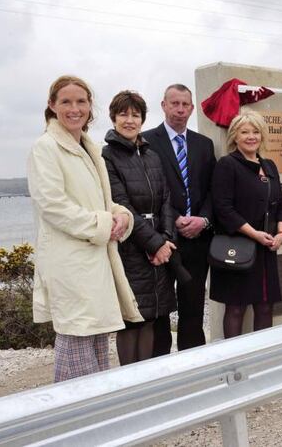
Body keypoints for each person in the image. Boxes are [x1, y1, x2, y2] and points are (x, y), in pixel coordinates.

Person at [27, 75, 142, 382]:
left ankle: (97, 420)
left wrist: (122, 216)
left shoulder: (90, 148)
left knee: (97, 347)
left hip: (95, 262)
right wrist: (106, 224)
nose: (74, 108)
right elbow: (53, 206)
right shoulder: (46, 147)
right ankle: (73, 421)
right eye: (66, 101)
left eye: (81, 101)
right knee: (77, 346)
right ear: (52, 106)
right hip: (70, 265)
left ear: (91, 107)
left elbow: (101, 200)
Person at [102, 91, 178, 365]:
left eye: (135, 115)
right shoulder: (107, 158)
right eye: (123, 114)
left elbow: (167, 200)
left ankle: (145, 379)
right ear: (113, 118)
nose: (129, 120)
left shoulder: (151, 156)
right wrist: (154, 244)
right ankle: (127, 383)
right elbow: (120, 203)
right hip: (130, 248)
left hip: (158, 246)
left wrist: (166, 240)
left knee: (152, 317)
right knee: (132, 319)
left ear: (143, 119)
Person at [142, 84, 216, 353]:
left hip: (197, 241)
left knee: (193, 308)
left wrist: (203, 220)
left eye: (185, 104)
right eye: (174, 103)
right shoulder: (146, 143)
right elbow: (146, 191)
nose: (180, 109)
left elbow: (212, 190)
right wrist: (172, 220)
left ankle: (193, 365)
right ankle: (161, 366)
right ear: (163, 105)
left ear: (192, 108)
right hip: (162, 241)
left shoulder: (204, 145)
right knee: (160, 311)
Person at [210, 110, 282, 338]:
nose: (251, 136)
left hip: (267, 249)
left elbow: (280, 203)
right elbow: (223, 209)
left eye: (255, 132)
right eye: (245, 132)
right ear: (235, 136)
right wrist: (254, 234)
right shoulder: (227, 164)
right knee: (236, 308)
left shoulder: (270, 165)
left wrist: (281, 232)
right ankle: (234, 366)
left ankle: (261, 361)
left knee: (265, 306)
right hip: (239, 247)